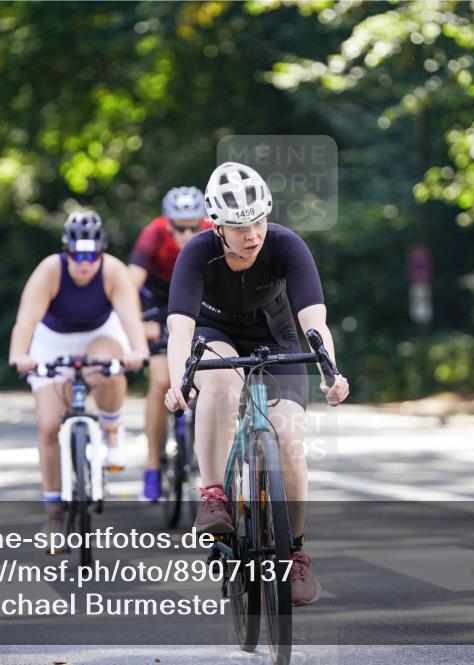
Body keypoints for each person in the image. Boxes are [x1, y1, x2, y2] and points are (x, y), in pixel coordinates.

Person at [163, 162, 350, 606]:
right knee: (222, 384)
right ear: (217, 226)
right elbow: (180, 329)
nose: (252, 234)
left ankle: (297, 554)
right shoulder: (194, 254)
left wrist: (331, 371)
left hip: (277, 336)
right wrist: (179, 384)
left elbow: (313, 320)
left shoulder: (287, 245)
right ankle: (212, 495)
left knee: (289, 438)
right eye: (239, 226)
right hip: (215, 335)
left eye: (259, 221)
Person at [8, 210, 149, 546]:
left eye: (91, 256)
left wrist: (138, 351)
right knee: (47, 425)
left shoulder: (114, 272)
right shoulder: (49, 271)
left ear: (100, 252)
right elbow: (26, 321)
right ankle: (54, 513)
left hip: (99, 333)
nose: (84, 264)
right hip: (52, 339)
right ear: (66, 252)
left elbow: (131, 320)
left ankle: (113, 430)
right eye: (77, 256)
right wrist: (19, 355)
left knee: (109, 369)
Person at [127, 186, 212, 501]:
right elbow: (128, 284)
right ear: (167, 223)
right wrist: (138, 323)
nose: (187, 233)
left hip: (199, 298)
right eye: (180, 227)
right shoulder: (154, 233)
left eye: (194, 226)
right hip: (160, 302)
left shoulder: (212, 232)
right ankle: (151, 468)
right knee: (162, 380)